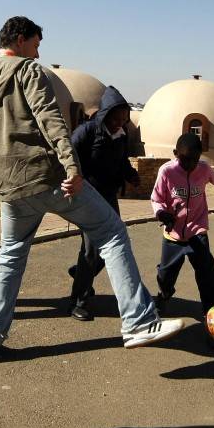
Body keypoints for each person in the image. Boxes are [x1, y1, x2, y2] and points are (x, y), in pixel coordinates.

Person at [0, 16, 185, 361]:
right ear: (21, 39)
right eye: (36, 44)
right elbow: (51, 119)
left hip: (10, 187)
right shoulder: (28, 71)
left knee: (10, 256)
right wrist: (73, 167)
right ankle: (138, 322)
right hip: (48, 177)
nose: (38, 51)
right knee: (111, 231)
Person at [65, 85, 140, 321]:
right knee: (90, 249)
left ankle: (80, 276)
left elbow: (121, 161)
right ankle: (80, 300)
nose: (120, 123)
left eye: (124, 119)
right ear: (105, 114)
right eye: (116, 118)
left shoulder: (120, 136)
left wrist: (131, 175)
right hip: (87, 197)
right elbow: (68, 157)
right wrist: (71, 182)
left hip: (108, 197)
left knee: (113, 245)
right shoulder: (86, 132)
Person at [151, 133, 214, 347]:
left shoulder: (203, 169)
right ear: (176, 154)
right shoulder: (167, 171)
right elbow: (156, 198)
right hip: (173, 236)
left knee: (209, 279)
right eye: (185, 159)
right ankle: (164, 295)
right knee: (166, 276)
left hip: (197, 233)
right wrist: (160, 213)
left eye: (194, 160)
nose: (190, 164)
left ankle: (213, 325)